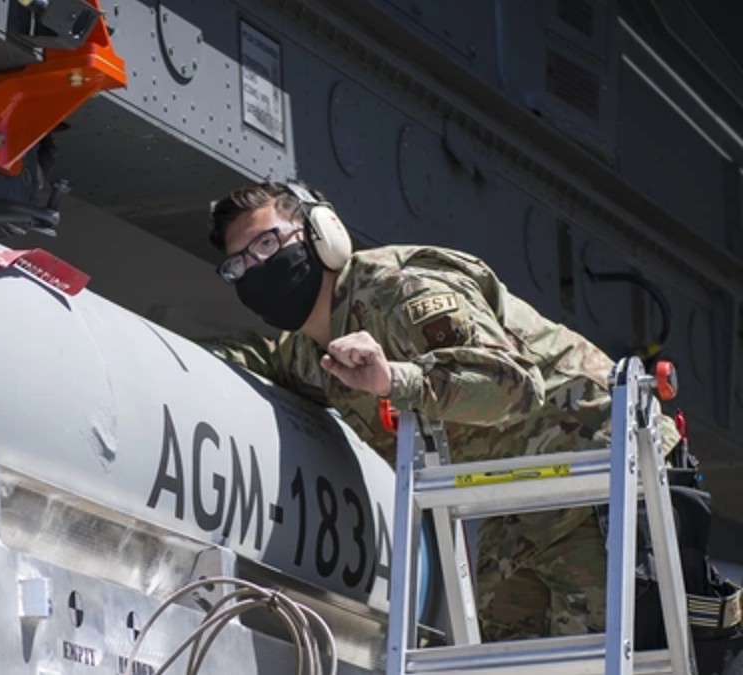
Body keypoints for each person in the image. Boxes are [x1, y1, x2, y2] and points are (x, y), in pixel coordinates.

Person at [203, 180, 680, 641]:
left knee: (603, 654)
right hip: (519, 506)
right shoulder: (313, 355)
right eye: (238, 265)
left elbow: (511, 386)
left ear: (321, 233)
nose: (254, 266)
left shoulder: (404, 292)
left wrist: (394, 379)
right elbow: (262, 359)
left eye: (267, 243)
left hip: (602, 471)